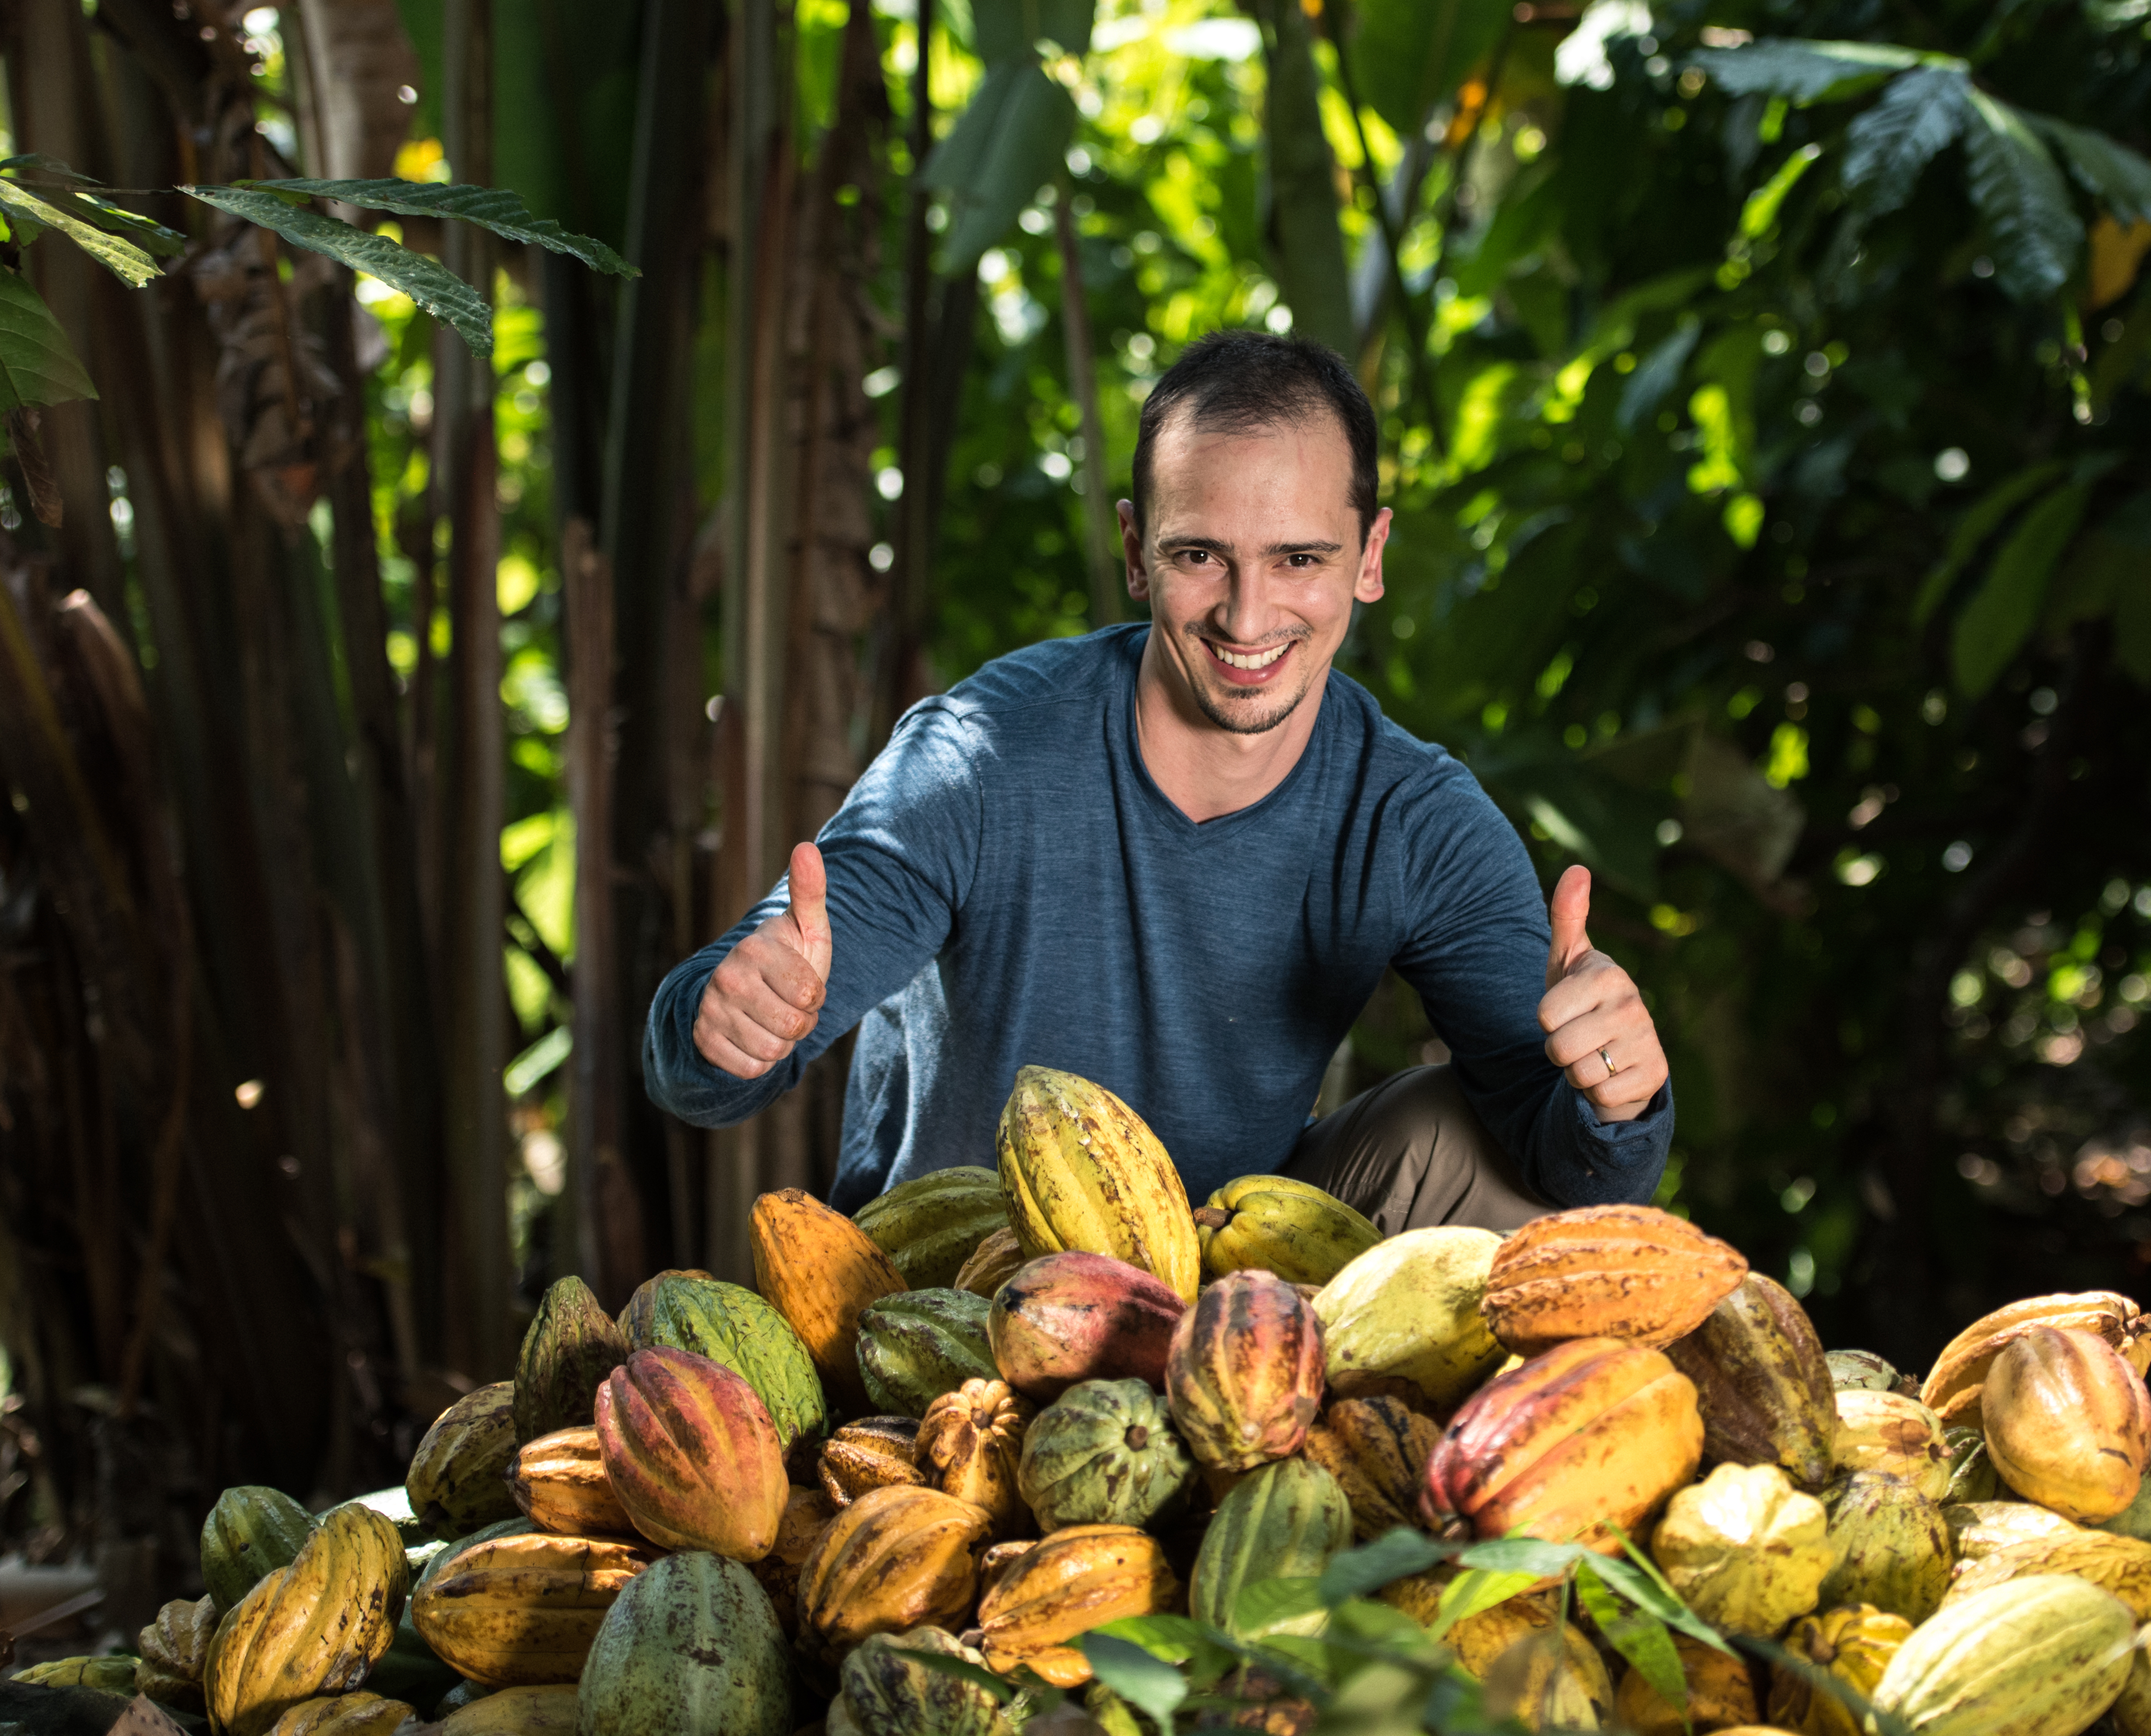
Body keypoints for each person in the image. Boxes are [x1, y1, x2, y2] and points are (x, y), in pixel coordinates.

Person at [644, 331, 1675, 1232]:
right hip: (961, 1297)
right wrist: (726, 1026)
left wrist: (1617, 1096)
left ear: (1370, 555)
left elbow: (1573, 1173)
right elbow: (705, 1068)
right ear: (1138, 551)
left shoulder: (1413, 820)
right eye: (1201, 555)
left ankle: (1438, 1456)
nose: (1246, 613)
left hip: (1223, 1286)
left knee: (1471, 1145)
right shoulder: (982, 756)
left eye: (1299, 558)